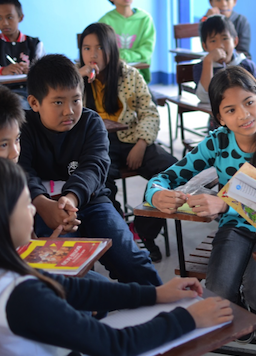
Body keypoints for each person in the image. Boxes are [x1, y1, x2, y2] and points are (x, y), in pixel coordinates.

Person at [0, 156, 233, 356]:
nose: (33, 210)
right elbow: (115, 344)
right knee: (168, 345)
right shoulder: (22, 296)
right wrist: (188, 318)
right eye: (27, 204)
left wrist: (154, 294)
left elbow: (72, 287)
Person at [145, 67, 256, 346]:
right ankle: (240, 303)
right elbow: (167, 176)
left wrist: (223, 204)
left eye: (249, 103)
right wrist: (155, 193)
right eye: (230, 110)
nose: (243, 115)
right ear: (219, 117)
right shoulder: (217, 141)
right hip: (235, 227)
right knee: (217, 291)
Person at [19, 53, 162, 286]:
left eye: (76, 100)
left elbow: (94, 167)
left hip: (91, 202)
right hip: (42, 207)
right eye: (58, 102)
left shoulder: (91, 122)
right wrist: (43, 204)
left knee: (132, 259)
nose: (69, 111)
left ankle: (165, 303)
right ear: (34, 103)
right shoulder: (23, 128)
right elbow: (21, 171)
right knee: (66, 270)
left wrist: (72, 198)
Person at [78, 23, 176, 262]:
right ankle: (118, 230)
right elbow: (68, 118)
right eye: (86, 48)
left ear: (112, 49)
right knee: (101, 182)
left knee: (172, 171)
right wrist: (77, 81)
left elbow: (149, 112)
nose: (92, 55)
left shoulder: (130, 75)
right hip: (97, 142)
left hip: (132, 138)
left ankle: (144, 230)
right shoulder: (76, 78)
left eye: (99, 48)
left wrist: (142, 144)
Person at [194, 14, 256, 105]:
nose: (220, 45)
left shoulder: (246, 65)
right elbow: (205, 98)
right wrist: (208, 62)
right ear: (205, 46)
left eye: (225, 38)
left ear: (235, 41)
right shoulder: (202, 67)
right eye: (213, 41)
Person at [99, 0, 155, 84]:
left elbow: (146, 50)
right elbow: (104, 51)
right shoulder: (104, 21)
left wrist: (122, 57)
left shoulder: (145, 19)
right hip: (113, 76)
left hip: (139, 76)